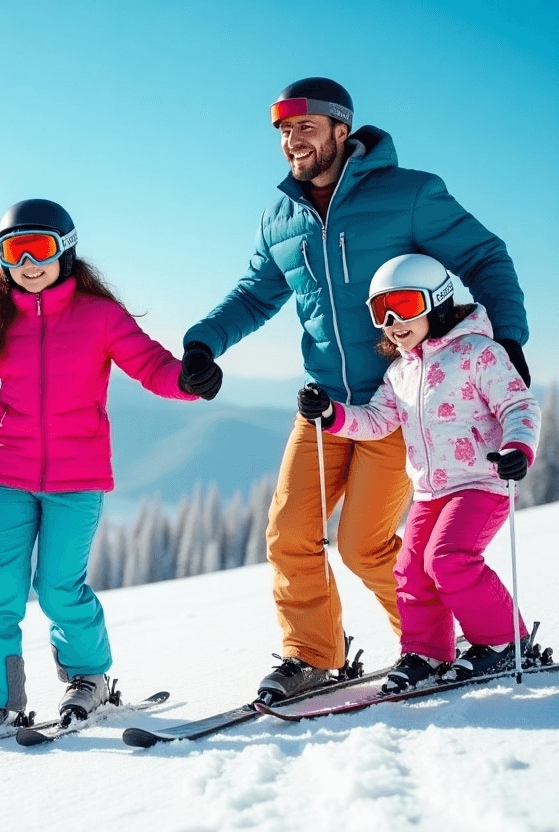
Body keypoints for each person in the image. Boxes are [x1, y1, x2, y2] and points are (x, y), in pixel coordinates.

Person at [179, 77, 531, 703]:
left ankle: (432, 647)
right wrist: (205, 341)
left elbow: (485, 256)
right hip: (325, 405)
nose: (293, 141)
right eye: (283, 131)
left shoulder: (410, 194)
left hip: (407, 400)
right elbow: (257, 293)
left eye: (305, 127)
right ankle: (312, 655)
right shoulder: (281, 216)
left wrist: (508, 339)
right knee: (288, 534)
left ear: (342, 130)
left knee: (366, 544)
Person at [0, 198, 201, 744]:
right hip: (8, 474)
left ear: (65, 252)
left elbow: (152, 365)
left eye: (39, 248)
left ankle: (87, 678)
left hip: (79, 477)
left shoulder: (100, 317)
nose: (27, 262)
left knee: (58, 588)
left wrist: (185, 382)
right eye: (13, 250)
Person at [297, 253, 540, 691]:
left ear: (439, 302)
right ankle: (426, 653)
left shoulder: (479, 354)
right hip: (430, 491)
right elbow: (376, 421)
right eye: (380, 311)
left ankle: (506, 642)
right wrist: (331, 415)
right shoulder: (400, 373)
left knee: (448, 560)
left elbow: (519, 405)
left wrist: (517, 448)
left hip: (482, 483)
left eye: (404, 306)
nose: (392, 321)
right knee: (410, 572)